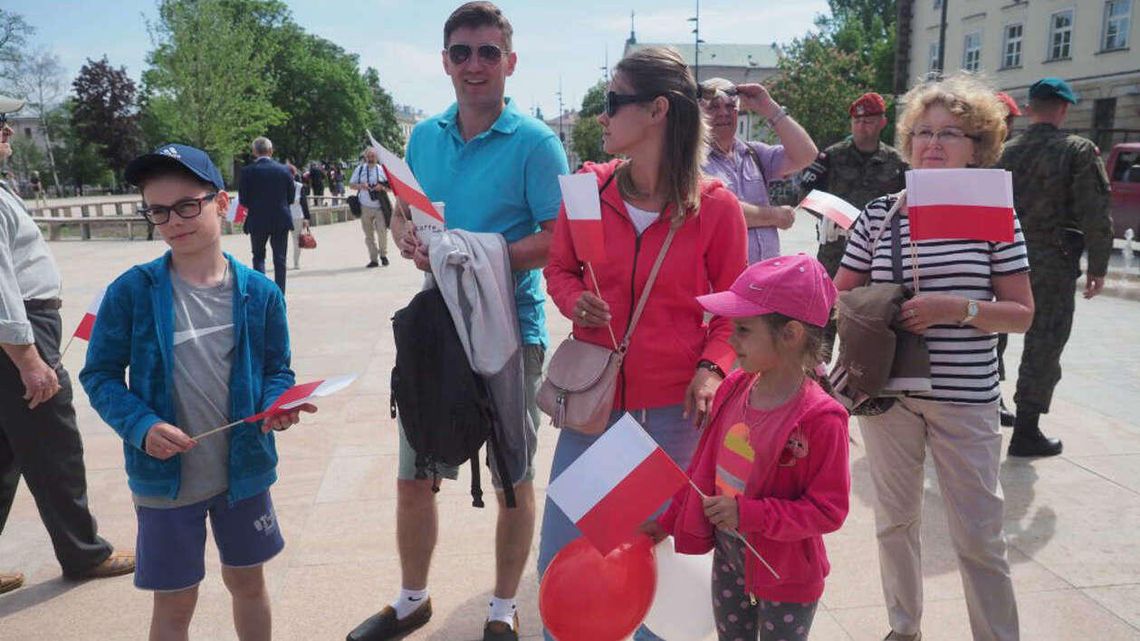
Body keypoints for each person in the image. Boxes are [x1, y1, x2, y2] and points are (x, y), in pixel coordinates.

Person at [346, 4, 568, 641]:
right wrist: (407, 235)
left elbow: (559, 237)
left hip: (510, 330)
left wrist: (473, 253)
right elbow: (405, 212)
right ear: (445, 61)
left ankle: (503, 606)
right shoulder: (423, 137)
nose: (475, 65)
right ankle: (412, 598)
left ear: (510, 62)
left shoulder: (536, 143)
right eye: (462, 52)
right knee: (414, 475)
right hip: (436, 327)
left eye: (488, 52)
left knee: (512, 478)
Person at [542, 46, 747, 641]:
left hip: (672, 417)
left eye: (613, 102)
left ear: (658, 110)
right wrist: (573, 300)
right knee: (565, 563)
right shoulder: (587, 189)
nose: (601, 115)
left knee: (661, 576)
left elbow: (735, 314)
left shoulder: (715, 207)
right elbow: (559, 269)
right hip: (594, 411)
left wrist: (712, 368)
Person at [80, 143, 314, 641]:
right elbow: (98, 375)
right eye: (158, 211)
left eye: (187, 205)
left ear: (221, 203)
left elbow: (276, 369)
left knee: (247, 582)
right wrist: (141, 426)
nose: (173, 221)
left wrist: (277, 405)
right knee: (175, 599)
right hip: (164, 482)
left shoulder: (260, 293)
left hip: (243, 474)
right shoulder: (131, 292)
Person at [833, 74, 1034, 641]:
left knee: (979, 534)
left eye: (949, 133)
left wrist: (956, 309)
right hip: (889, 393)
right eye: (923, 132)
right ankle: (904, 629)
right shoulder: (880, 214)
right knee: (894, 524)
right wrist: (870, 306)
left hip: (965, 398)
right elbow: (838, 294)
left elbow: (1021, 313)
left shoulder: (996, 217)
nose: (932, 143)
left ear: (978, 146)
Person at [647, 254, 849, 641]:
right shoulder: (734, 387)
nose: (730, 340)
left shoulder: (822, 419)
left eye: (742, 330)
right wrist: (667, 521)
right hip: (729, 560)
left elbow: (829, 510)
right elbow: (701, 471)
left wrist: (749, 514)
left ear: (790, 334)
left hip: (787, 577)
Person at [0, 94, 135, 596]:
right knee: (53, 446)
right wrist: (29, 359)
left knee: (6, 453)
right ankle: (83, 552)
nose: (7, 130)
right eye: (0, 122)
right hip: (20, 332)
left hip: (18, 330)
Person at [996, 77, 1112, 458]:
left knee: (992, 333)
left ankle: (984, 410)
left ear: (1029, 108)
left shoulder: (1004, 152)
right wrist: (1098, 265)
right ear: (1063, 108)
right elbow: (1094, 211)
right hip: (1052, 262)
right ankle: (1026, 430)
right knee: (1044, 342)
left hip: (1002, 258)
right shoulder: (1077, 150)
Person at [799, 93, 908, 360]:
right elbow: (804, 191)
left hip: (878, 254)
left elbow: (909, 204)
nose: (862, 126)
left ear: (882, 122)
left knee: (868, 320)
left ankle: (859, 375)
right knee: (824, 315)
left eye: (868, 121)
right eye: (857, 121)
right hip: (835, 250)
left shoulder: (897, 163)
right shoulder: (831, 156)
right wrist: (826, 215)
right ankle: (818, 375)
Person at [699, 76, 816, 263]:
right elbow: (719, 210)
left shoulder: (753, 154)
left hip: (765, 274)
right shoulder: (693, 160)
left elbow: (807, 155)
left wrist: (770, 108)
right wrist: (775, 216)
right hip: (721, 277)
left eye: (730, 106)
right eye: (713, 107)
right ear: (699, 113)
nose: (724, 113)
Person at [993, 91, 1022, 427]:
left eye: (1009, 121)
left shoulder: (1012, 155)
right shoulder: (978, 160)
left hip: (1010, 250)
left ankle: (995, 394)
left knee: (999, 329)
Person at [239, 137, 295, 293]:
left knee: (258, 256)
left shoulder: (247, 171)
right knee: (280, 258)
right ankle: (279, 294)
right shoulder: (284, 170)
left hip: (257, 219)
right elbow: (291, 197)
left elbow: (243, 200)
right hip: (281, 218)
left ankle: (262, 293)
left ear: (254, 152)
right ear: (271, 151)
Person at [350, 147, 392, 268]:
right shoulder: (360, 169)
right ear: (365, 157)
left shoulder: (382, 170)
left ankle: (383, 255)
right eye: (368, 156)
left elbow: (390, 188)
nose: (370, 159)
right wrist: (361, 186)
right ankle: (373, 259)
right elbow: (351, 185)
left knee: (382, 232)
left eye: (373, 156)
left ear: (377, 157)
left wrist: (381, 187)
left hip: (380, 206)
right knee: (368, 235)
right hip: (364, 206)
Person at [287, 163, 311, 270]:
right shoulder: (298, 186)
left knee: (295, 240)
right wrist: (306, 217)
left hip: (293, 215)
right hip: (291, 215)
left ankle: (294, 262)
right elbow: (304, 203)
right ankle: (292, 262)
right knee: (292, 240)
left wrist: (306, 217)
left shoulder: (299, 186)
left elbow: (304, 203)